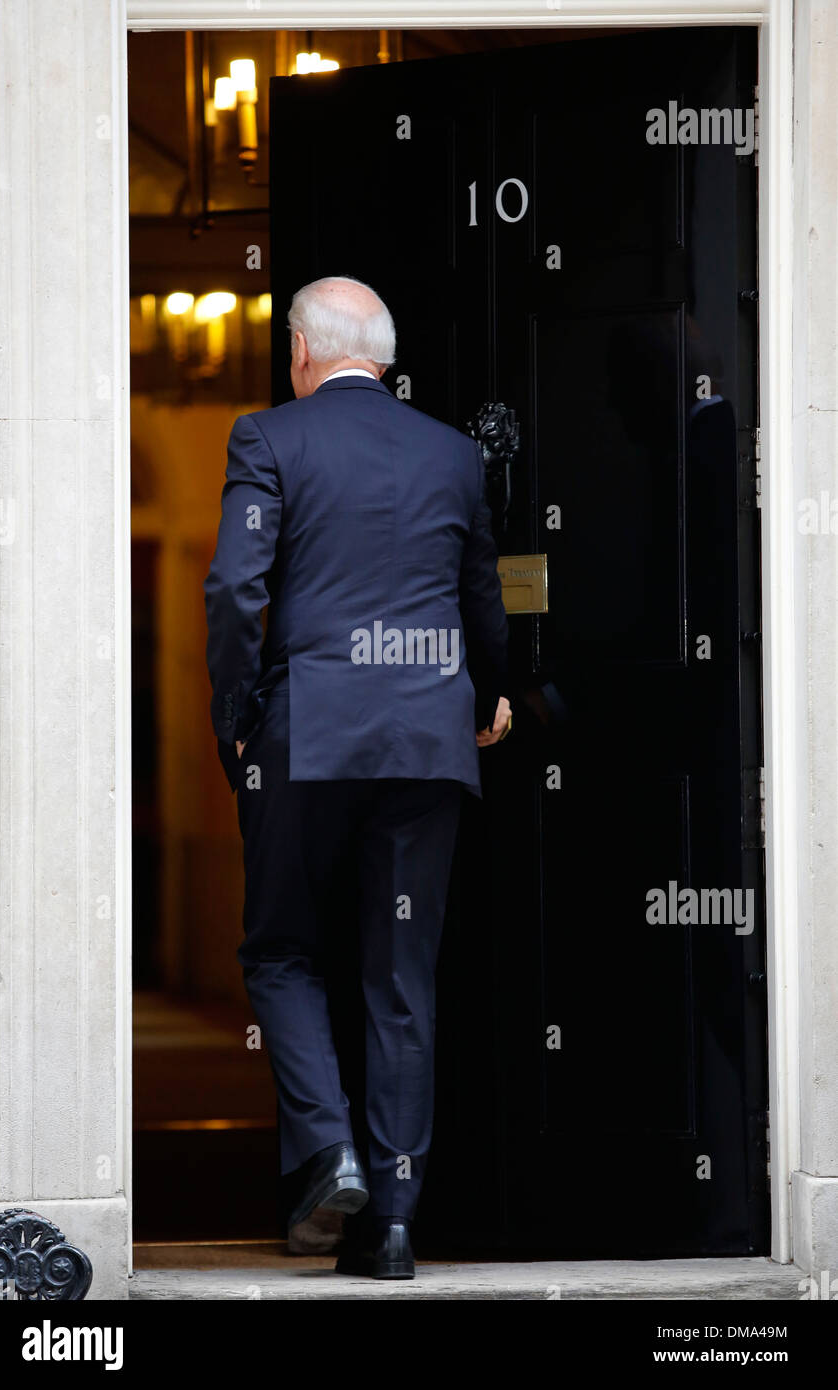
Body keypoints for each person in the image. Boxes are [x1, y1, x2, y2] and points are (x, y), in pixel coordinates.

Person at [204, 275, 510, 1279]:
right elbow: (482, 604)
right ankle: (391, 1222)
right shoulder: (452, 454)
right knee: (399, 977)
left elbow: (232, 589)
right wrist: (481, 703)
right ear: (378, 357)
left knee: (281, 949)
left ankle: (328, 1147)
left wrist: (236, 718)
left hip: (308, 732)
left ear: (300, 349)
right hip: (424, 738)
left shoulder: (269, 438)